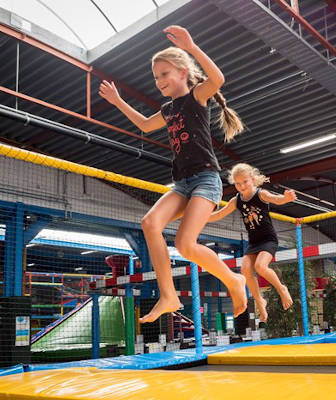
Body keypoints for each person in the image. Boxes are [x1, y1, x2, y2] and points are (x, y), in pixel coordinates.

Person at [98, 25, 247, 323]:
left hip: (206, 179)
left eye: (164, 74)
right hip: (182, 183)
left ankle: (234, 280)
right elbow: (143, 124)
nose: (159, 81)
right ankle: (169, 295)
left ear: (182, 71)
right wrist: (118, 102)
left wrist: (192, 46)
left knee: (185, 244)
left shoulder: (196, 96)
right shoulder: (168, 110)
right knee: (150, 222)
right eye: (156, 77)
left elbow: (218, 78)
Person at [208, 163, 295, 322]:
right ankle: (260, 302)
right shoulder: (236, 200)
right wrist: (200, 216)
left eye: (245, 182)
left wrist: (286, 198)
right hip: (254, 242)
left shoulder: (261, 194)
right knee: (246, 270)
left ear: (253, 179)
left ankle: (282, 288)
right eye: (237, 184)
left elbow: (277, 199)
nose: (241, 186)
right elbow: (219, 214)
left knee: (260, 266)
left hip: (268, 239)